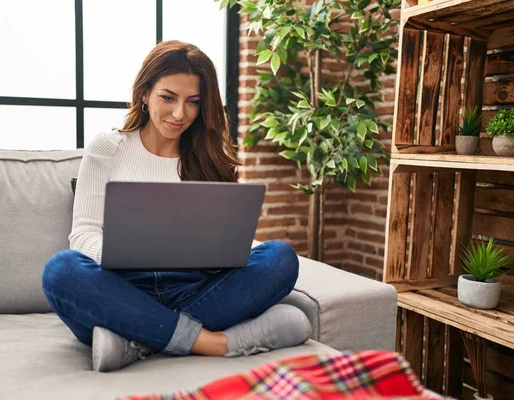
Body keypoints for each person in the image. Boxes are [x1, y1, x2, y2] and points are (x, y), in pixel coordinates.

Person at [41, 40, 311, 373]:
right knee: (60, 270)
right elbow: (82, 236)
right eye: (168, 97)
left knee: (280, 257)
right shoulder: (108, 148)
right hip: (122, 288)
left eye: (193, 102)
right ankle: (218, 343)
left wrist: (221, 252)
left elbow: (225, 243)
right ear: (144, 93)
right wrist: (127, 255)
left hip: (193, 288)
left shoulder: (211, 160)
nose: (180, 114)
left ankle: (136, 339)